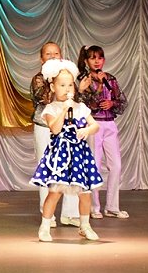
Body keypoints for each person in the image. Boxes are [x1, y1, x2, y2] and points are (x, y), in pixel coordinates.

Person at [31, 59, 103, 242]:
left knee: (85, 193)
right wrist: (63, 111)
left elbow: (95, 125)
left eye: (70, 85)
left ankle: (85, 226)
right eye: (62, 85)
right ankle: (45, 226)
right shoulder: (50, 109)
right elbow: (55, 129)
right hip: (60, 156)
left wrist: (87, 130)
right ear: (53, 87)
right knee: (54, 192)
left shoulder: (81, 108)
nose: (67, 89)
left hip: (79, 155)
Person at [29, 41, 80, 227]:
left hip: (67, 127)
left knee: (70, 168)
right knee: (46, 168)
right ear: (41, 58)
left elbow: (75, 98)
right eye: (48, 54)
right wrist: (52, 81)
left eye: (56, 53)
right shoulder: (38, 79)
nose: (52, 56)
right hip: (45, 126)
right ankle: (47, 215)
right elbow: (43, 98)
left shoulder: (67, 76)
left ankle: (70, 213)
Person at [77, 45, 129, 220]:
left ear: (104, 60)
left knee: (116, 165)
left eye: (99, 58)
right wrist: (99, 86)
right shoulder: (84, 79)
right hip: (93, 124)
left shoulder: (110, 79)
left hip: (110, 124)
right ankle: (94, 207)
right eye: (92, 58)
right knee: (95, 165)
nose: (97, 61)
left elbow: (122, 101)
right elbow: (85, 103)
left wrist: (112, 103)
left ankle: (112, 207)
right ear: (86, 61)